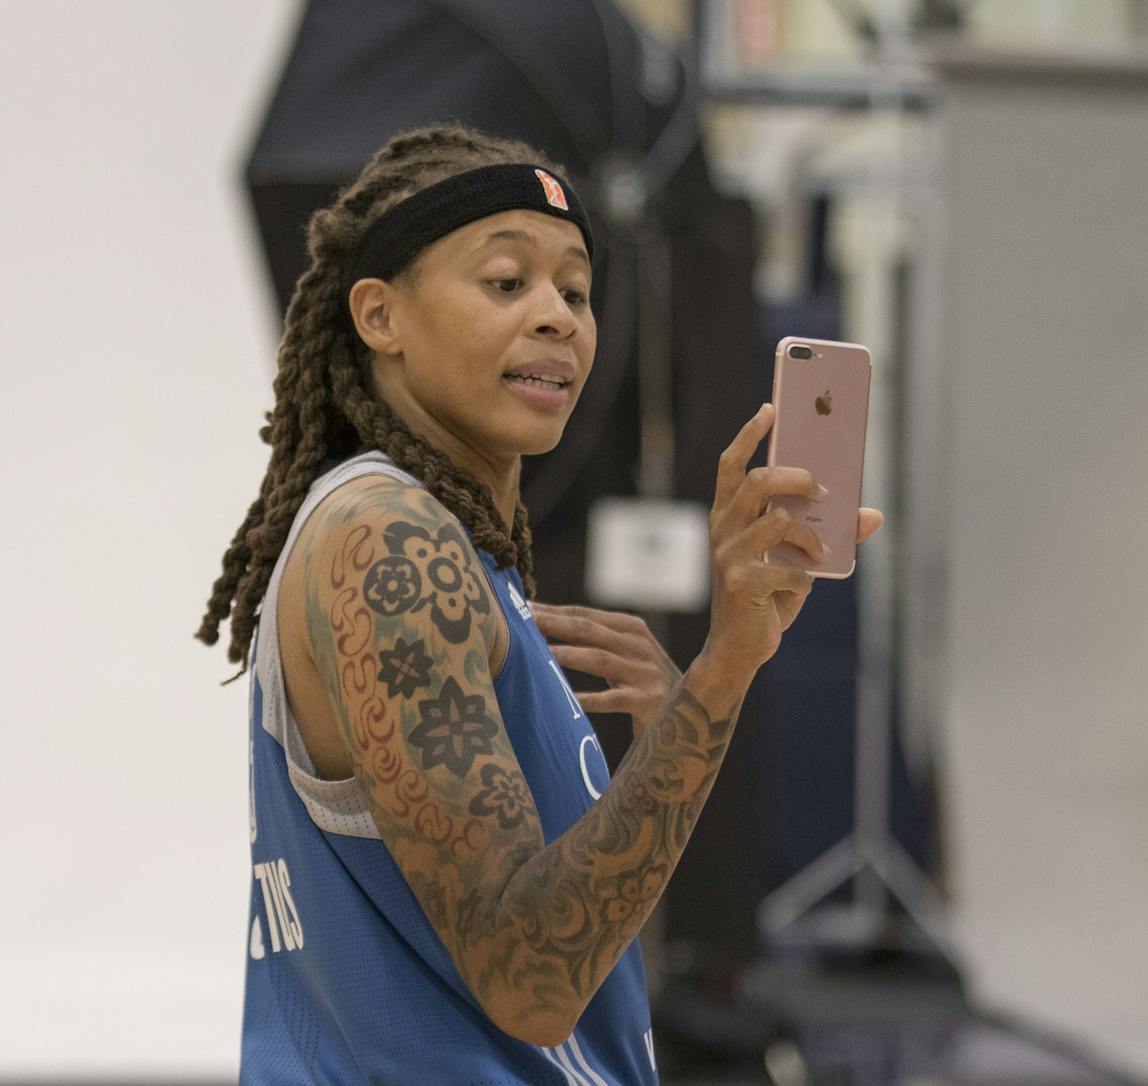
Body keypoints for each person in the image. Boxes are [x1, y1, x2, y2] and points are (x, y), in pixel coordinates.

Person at [196, 122, 882, 1084]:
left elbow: (565, 945)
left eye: (576, 289)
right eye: (507, 282)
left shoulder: (461, 556)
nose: (558, 315)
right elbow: (530, 979)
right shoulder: (390, 541)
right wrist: (724, 668)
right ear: (379, 316)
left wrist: (691, 710)